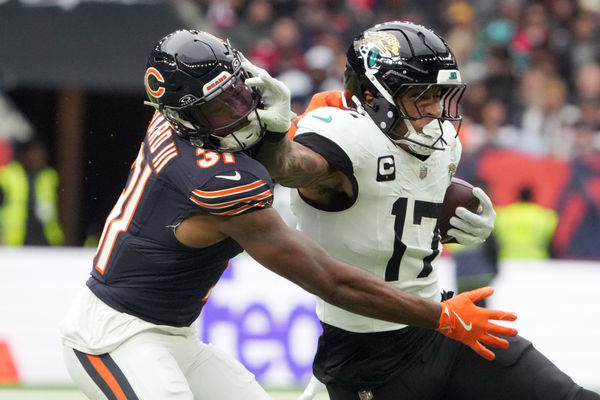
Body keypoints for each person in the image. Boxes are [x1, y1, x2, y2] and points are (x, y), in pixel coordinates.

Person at [59, 29, 517, 400]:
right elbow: (327, 279)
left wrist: (297, 122)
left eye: (239, 93)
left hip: (176, 335)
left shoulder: (174, 120)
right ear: (185, 117)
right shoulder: (214, 179)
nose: (240, 113)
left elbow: (297, 147)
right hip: (115, 336)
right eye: (221, 109)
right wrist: (437, 316)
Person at [251, 21, 600, 399]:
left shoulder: (441, 143)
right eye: (421, 95)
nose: (435, 110)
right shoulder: (344, 137)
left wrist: (453, 219)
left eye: (439, 94)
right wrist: (273, 136)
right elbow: (289, 167)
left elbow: (392, 205)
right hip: (368, 355)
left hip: (443, 327)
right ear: (373, 96)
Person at [0, 138, 64, 246]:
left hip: (46, 238)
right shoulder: (9, 174)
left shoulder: (49, 176)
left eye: (41, 153)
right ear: (25, 154)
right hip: (16, 240)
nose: (38, 157)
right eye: (34, 153)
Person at [494, 185, 558, 259]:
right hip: (537, 261)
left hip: (507, 260)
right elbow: (551, 245)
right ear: (533, 197)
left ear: (517, 196)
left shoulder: (503, 216)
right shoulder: (546, 217)